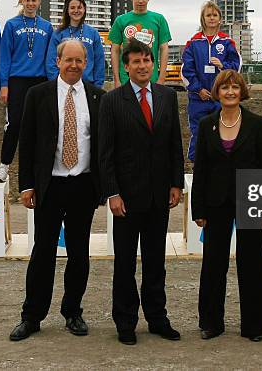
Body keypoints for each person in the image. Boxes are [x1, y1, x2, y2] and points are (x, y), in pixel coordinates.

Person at [9, 39, 105, 341]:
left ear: (85, 63)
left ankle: (73, 312)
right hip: (49, 186)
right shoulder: (38, 95)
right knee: (43, 253)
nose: (74, 65)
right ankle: (32, 316)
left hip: (83, 185)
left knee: (79, 253)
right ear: (57, 61)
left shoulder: (97, 97)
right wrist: (26, 185)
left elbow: (102, 144)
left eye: (79, 61)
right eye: (69, 60)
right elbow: (27, 142)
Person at [99, 38, 184, 345]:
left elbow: (175, 142)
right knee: (124, 262)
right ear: (126, 66)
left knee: (155, 261)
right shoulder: (112, 101)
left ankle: (157, 318)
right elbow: (105, 153)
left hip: (159, 195)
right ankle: (125, 321)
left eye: (147, 60)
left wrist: (177, 183)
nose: (143, 65)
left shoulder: (166, 96)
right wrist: (112, 193)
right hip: (126, 198)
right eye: (136, 61)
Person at [191, 70, 262, 342]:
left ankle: (256, 325)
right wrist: (198, 209)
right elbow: (200, 169)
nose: (229, 92)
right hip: (215, 203)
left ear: (242, 91)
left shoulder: (258, 124)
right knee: (213, 263)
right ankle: (211, 323)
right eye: (224, 87)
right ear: (217, 92)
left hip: (251, 200)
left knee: (253, 263)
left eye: (234, 87)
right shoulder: (206, 125)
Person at [0, 0, 53, 183]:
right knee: (15, 123)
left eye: (34, 0)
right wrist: (4, 84)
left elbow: (50, 56)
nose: (30, 4)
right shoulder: (11, 25)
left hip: (40, 80)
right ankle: (4, 164)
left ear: (39, 2)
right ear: (21, 1)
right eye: (27, 0)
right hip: (17, 80)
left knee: (39, 125)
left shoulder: (47, 26)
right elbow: (4, 56)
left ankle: (38, 166)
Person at [181, 1, 241, 162]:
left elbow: (237, 66)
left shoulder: (227, 42)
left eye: (215, 15)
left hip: (221, 99)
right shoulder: (193, 43)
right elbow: (186, 70)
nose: (212, 18)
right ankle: (196, 167)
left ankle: (221, 166)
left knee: (223, 132)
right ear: (203, 19)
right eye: (208, 15)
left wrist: (223, 66)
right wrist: (198, 89)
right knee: (198, 131)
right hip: (198, 98)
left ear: (220, 19)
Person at [108, 0, 171, 88]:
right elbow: (115, 50)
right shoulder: (120, 20)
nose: (140, 1)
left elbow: (164, 49)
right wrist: (117, 80)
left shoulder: (159, 19)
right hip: (126, 80)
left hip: (152, 79)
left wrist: (161, 79)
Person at [45, 0, 105, 88]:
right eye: (72, 8)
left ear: (84, 10)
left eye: (79, 7)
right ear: (67, 11)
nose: (76, 11)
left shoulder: (93, 33)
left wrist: (97, 86)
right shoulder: (58, 33)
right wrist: (57, 83)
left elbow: (99, 61)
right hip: (62, 86)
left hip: (87, 85)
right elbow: (51, 61)